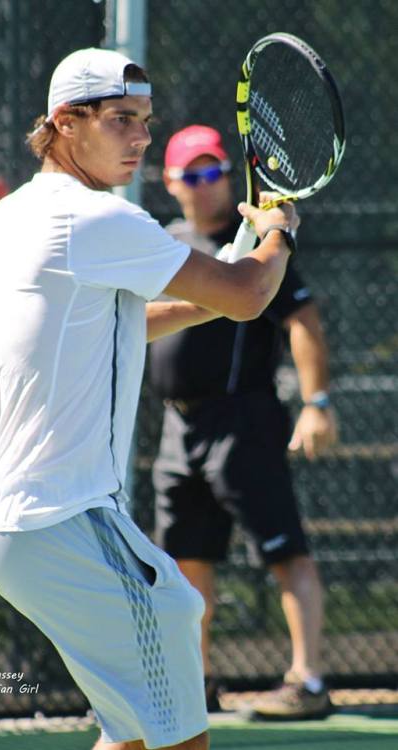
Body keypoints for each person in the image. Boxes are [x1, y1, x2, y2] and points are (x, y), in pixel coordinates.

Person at [0, 48, 298, 750]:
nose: (141, 138)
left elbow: (122, 325)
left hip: (15, 526)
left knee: (135, 733)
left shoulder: (8, 218)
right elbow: (249, 295)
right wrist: (277, 235)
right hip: (63, 518)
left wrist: (226, 284)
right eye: (120, 120)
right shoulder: (91, 221)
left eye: (145, 120)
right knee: (179, 696)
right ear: (64, 123)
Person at [150, 125, 338, 719]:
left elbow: (302, 321)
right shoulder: (159, 244)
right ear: (171, 182)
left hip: (245, 423)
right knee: (184, 563)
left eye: (216, 172)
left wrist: (317, 403)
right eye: (194, 174)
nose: (208, 184)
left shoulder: (263, 249)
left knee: (285, 551)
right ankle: (193, 684)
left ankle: (307, 682)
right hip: (177, 430)